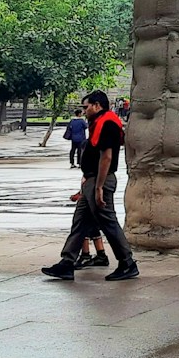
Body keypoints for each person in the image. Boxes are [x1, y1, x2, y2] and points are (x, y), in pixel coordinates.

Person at [43, 89, 138, 281]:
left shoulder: (109, 123)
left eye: (86, 107)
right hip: (92, 179)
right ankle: (67, 263)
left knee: (108, 222)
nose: (84, 111)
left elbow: (107, 157)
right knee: (80, 222)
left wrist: (99, 186)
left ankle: (127, 262)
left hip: (100, 180)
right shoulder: (97, 122)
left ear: (97, 105)